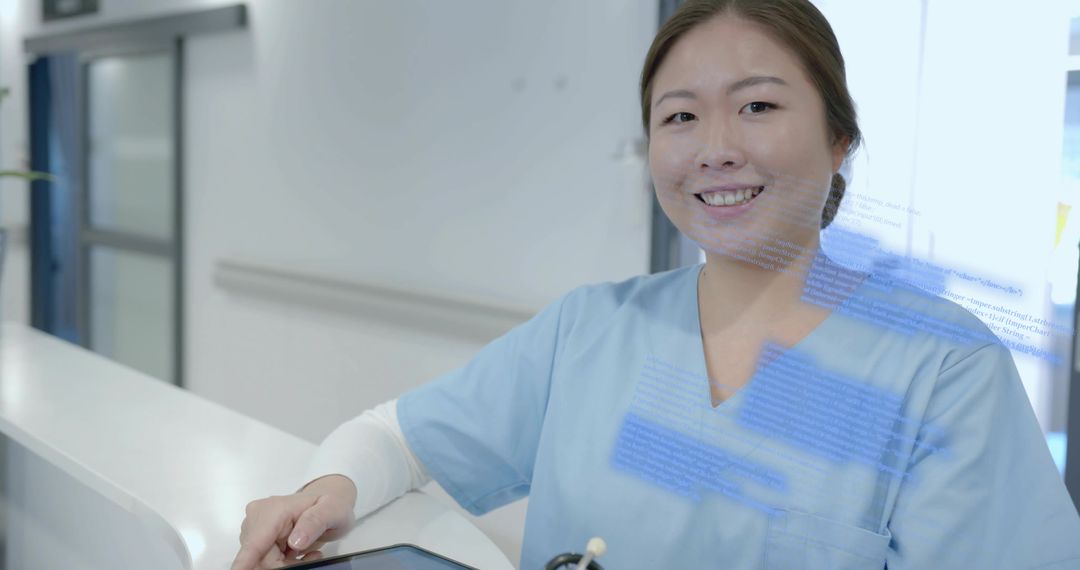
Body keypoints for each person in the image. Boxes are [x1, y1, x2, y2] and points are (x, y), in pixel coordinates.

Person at [231, 1, 1080, 568]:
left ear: (839, 142)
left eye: (758, 106)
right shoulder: (588, 332)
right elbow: (396, 439)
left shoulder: (943, 372)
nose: (715, 146)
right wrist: (324, 493)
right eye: (679, 116)